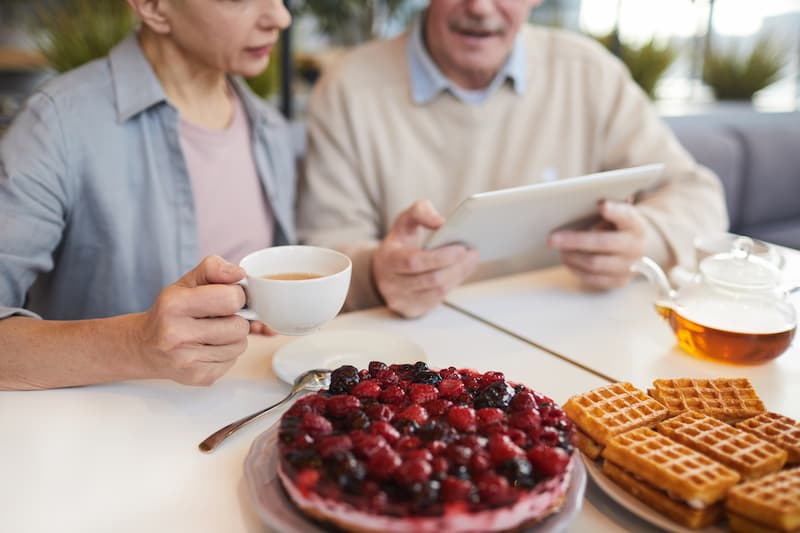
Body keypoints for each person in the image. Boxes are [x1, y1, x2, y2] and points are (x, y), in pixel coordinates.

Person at [298, 0, 728, 318]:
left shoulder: (588, 72)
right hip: (417, 359)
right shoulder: (348, 89)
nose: (481, 8)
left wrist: (642, 241)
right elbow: (319, 254)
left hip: (578, 332)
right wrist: (379, 274)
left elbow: (698, 195)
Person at [0, 0, 295, 390]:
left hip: (239, 418)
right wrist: (135, 343)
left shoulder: (270, 129)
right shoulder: (58, 123)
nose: (280, 17)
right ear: (154, 7)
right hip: (103, 437)